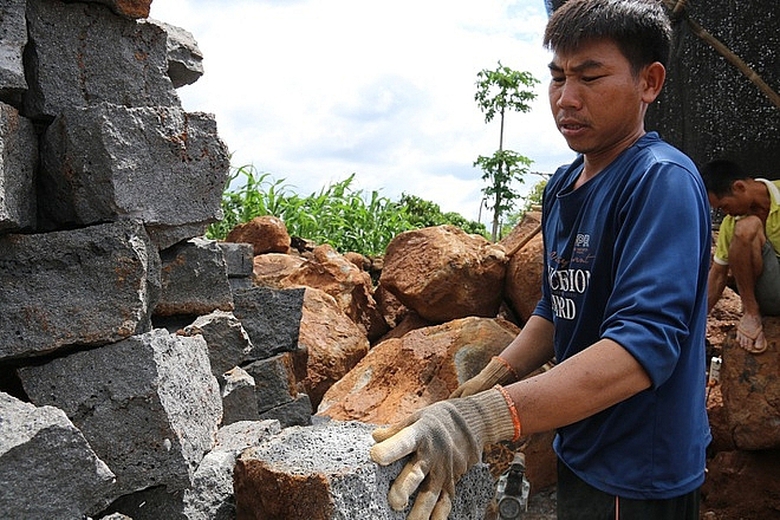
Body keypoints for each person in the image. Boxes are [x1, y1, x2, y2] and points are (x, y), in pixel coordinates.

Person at [369, 1, 712, 519]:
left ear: (650, 82)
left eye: (590, 77)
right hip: (582, 441)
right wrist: (497, 372)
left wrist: (479, 420)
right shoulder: (562, 186)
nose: (566, 98)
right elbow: (559, 305)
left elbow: (643, 347)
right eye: (557, 78)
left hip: (639, 465)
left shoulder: (660, 181)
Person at [701, 159, 780, 354]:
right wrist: (695, 324)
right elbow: (718, 275)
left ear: (739, 187)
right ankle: (751, 314)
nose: (725, 213)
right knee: (746, 227)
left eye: (724, 206)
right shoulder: (733, 223)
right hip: (773, 293)